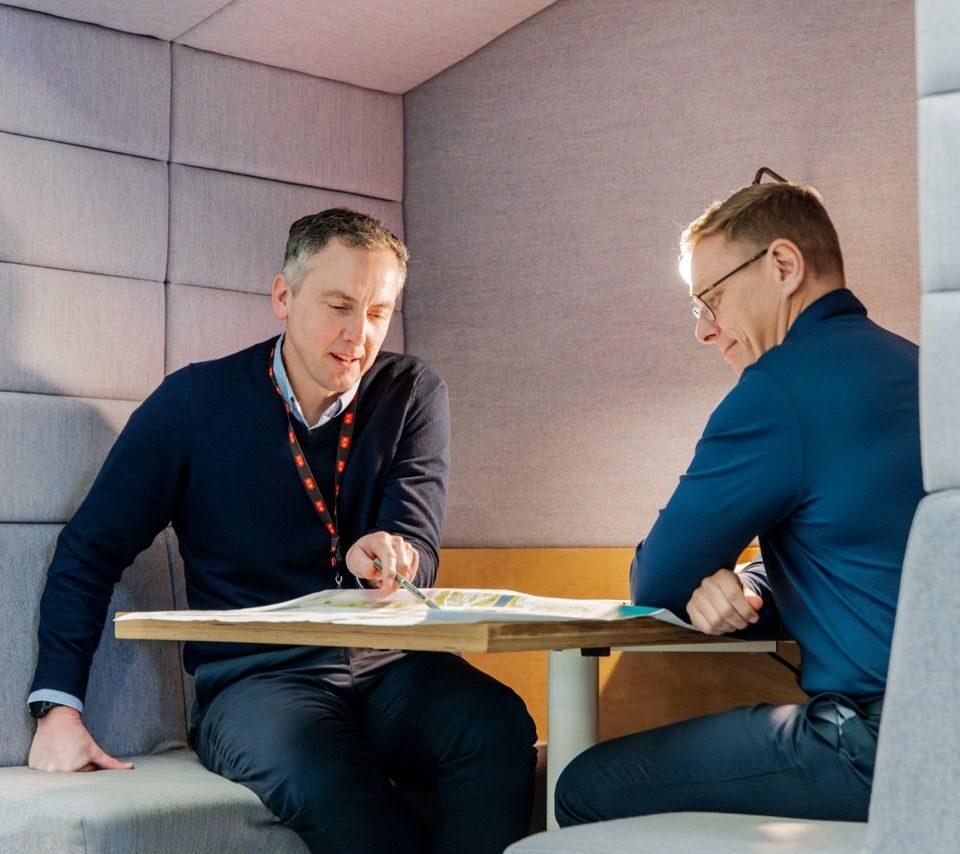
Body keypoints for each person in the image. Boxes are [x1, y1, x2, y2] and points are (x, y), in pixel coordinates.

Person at [28, 208, 537, 854]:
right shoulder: (192, 404)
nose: (359, 334)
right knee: (330, 775)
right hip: (255, 683)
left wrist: (388, 559)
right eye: (340, 306)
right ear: (283, 296)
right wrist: (58, 708)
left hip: (390, 670)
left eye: (379, 312)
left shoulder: (411, 392)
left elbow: (418, 550)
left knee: (495, 725)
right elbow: (89, 550)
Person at [555, 172, 923, 825]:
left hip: (876, 751)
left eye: (713, 298)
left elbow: (656, 580)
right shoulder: (925, 370)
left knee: (583, 783)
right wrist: (754, 583)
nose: (706, 329)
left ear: (783, 264)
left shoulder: (777, 391)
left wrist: (714, 582)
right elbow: (877, 556)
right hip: (940, 743)